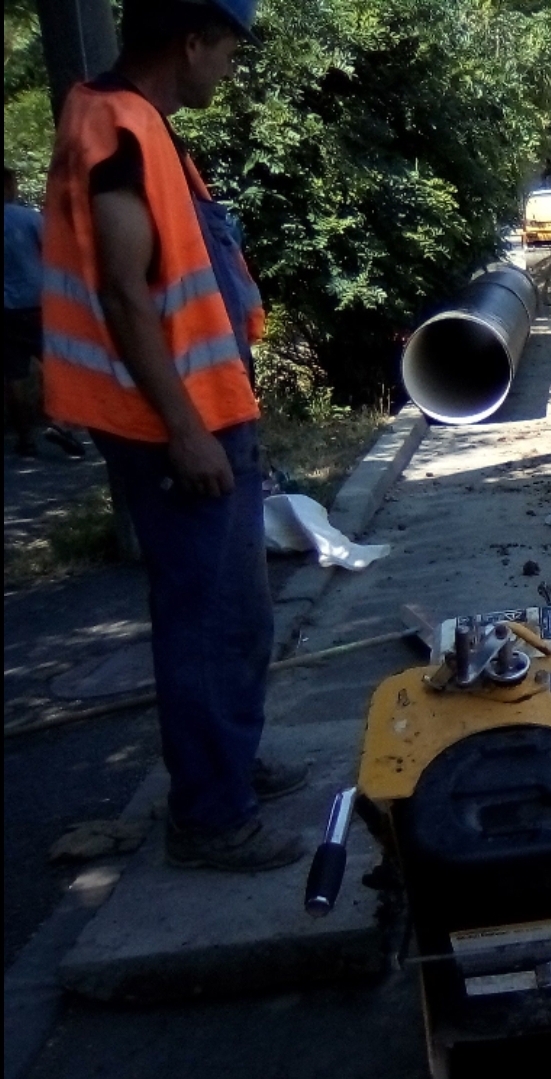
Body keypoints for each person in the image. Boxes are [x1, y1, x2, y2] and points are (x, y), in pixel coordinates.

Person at [41, 0, 307, 871]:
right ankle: (211, 814)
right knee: (205, 621)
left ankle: (228, 767)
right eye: (228, 47)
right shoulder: (117, 128)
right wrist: (187, 432)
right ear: (190, 39)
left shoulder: (146, 127)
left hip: (210, 417)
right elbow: (123, 292)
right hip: (174, 432)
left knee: (239, 616)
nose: (231, 65)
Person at [5, 168, 86, 458]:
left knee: (12, 375)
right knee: (55, 366)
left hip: (7, 311)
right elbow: (53, 252)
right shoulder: (30, 219)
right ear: (10, 186)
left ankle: (25, 439)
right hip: (40, 303)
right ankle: (60, 424)